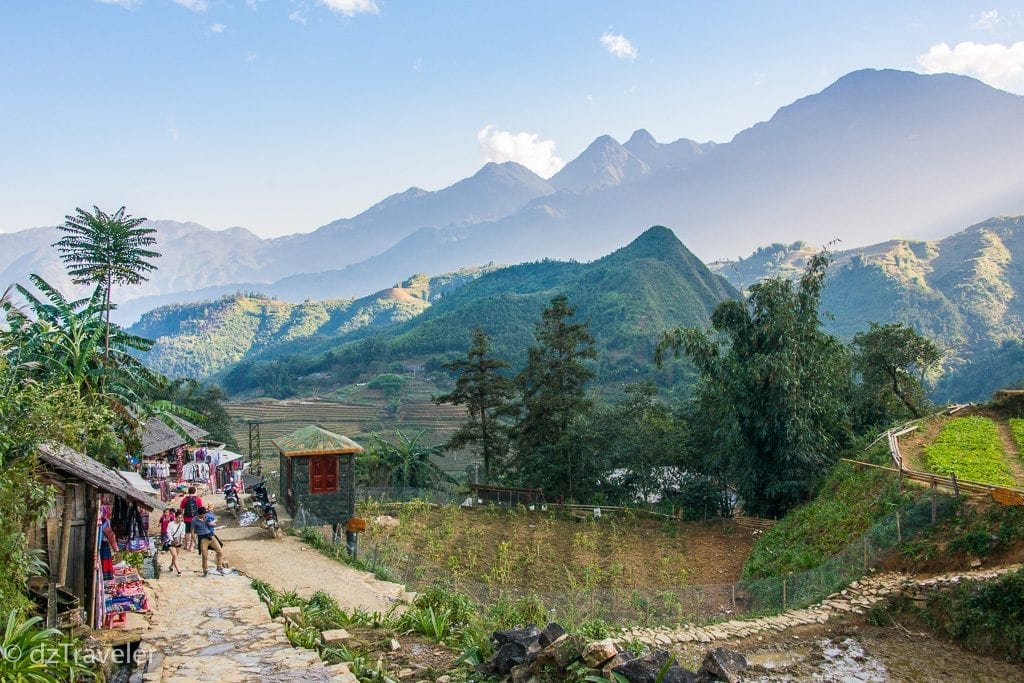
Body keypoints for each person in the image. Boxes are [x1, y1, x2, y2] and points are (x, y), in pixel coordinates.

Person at [192, 506, 227, 576]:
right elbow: (192, 531)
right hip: (202, 538)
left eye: (205, 514)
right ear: (199, 514)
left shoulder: (208, 517)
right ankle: (205, 571)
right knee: (205, 556)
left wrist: (211, 524)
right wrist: (195, 542)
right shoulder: (194, 520)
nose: (204, 515)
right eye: (203, 514)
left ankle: (219, 567)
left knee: (220, 551)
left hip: (211, 536)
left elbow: (214, 524)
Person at [179, 486, 204, 552]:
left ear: (189, 491)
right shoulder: (198, 499)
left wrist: (181, 516)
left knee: (187, 532)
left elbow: (181, 508)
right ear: (195, 491)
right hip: (195, 519)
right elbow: (201, 509)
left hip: (186, 519)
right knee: (194, 533)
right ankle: (192, 547)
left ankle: (187, 545)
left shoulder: (185, 499)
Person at [99, 505, 119, 580]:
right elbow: (110, 536)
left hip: (98, 545)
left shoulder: (98, 519)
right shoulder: (105, 521)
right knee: (104, 565)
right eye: (109, 511)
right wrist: (116, 549)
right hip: (103, 546)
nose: (111, 513)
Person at [166, 510, 185, 576]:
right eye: (179, 517)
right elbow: (168, 533)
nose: (180, 519)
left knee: (175, 556)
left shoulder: (183, 524)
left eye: (181, 517)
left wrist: (181, 540)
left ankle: (171, 566)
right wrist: (172, 540)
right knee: (174, 555)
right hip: (171, 542)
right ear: (175, 517)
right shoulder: (170, 524)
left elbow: (183, 533)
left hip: (178, 542)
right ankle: (178, 570)